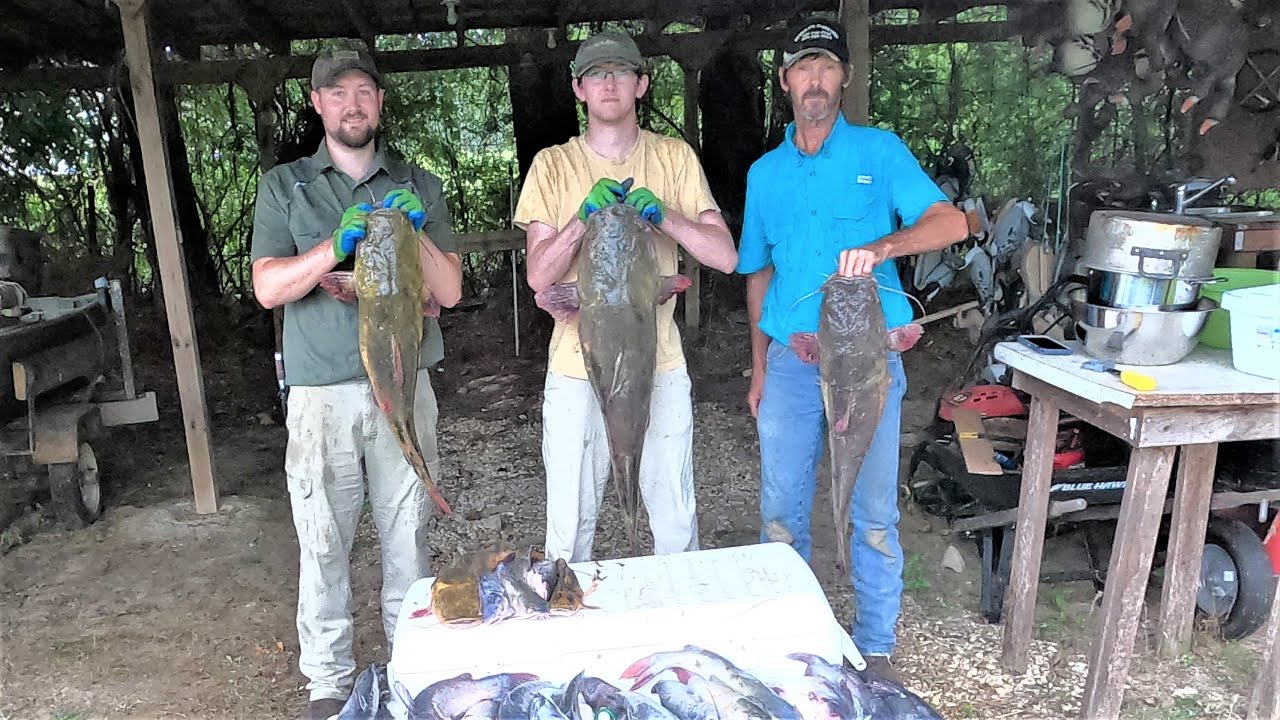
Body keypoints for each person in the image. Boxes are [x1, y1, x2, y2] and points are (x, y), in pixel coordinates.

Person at [736, 15, 968, 681]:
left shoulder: (879, 152)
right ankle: (792, 641)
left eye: (827, 66)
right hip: (790, 359)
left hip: (868, 356)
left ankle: (876, 647)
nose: (815, 79)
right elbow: (758, 273)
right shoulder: (764, 174)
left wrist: (883, 246)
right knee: (780, 511)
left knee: (871, 509)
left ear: (845, 77)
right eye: (803, 67)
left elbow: (951, 221)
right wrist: (757, 369)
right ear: (785, 81)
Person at [249, 46, 463, 720]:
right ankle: (328, 686)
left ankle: (409, 669)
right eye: (336, 92)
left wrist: (413, 232)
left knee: (407, 535)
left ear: (379, 100)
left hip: (405, 384)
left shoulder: (418, 182)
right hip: (321, 396)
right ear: (317, 103)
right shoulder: (286, 187)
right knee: (323, 541)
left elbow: (450, 292)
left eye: (363, 90)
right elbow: (267, 287)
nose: (351, 103)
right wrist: (332, 249)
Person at [513, 30, 738, 563]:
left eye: (619, 72)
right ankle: (573, 630)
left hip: (658, 361)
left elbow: (725, 255)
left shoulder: (674, 157)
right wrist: (580, 220)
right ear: (578, 89)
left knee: (675, 516)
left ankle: (680, 628)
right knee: (568, 526)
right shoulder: (553, 165)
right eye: (596, 74)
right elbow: (539, 276)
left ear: (641, 84)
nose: (608, 83)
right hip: (573, 367)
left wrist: (666, 214)